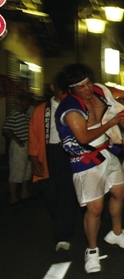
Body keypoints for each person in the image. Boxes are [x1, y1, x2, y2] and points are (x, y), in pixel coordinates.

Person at [54, 64, 124, 274]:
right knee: (95, 209)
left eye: (88, 82)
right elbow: (83, 137)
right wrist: (112, 124)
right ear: (71, 89)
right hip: (84, 159)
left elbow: (116, 113)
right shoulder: (69, 106)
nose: (88, 88)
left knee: (120, 191)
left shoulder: (100, 91)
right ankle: (91, 251)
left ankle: (116, 233)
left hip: (107, 151)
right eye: (81, 86)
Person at [28, 80, 77, 251]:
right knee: (49, 194)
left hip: (68, 153)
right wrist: (34, 160)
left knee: (66, 193)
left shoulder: (74, 106)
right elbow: (33, 135)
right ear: (53, 88)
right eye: (60, 86)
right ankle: (62, 221)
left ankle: (62, 236)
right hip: (47, 153)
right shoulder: (41, 109)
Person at [3, 92, 33, 204]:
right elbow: (6, 129)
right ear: (18, 102)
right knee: (16, 170)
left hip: (26, 145)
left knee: (27, 170)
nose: (26, 103)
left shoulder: (25, 116)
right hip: (18, 146)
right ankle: (13, 196)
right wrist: (17, 139)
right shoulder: (13, 114)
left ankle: (24, 193)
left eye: (27, 101)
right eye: (24, 100)